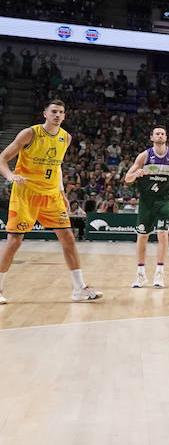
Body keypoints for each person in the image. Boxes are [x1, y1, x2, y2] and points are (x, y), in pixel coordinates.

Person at [0, 100, 102, 303]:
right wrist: (10, 176)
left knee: (68, 238)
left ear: (64, 116)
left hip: (51, 195)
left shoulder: (66, 137)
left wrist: (62, 192)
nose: (57, 115)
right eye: (54, 111)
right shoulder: (30, 133)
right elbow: (2, 158)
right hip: (25, 194)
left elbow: (56, 167)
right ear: (45, 113)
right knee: (14, 241)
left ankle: (79, 289)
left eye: (61, 112)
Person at [123, 126, 169, 289]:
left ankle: (159, 272)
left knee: (163, 234)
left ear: (166, 137)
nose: (160, 136)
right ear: (152, 137)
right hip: (147, 201)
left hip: (164, 200)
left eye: (163, 133)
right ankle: (140, 273)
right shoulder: (144, 156)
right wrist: (136, 175)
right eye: (157, 133)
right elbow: (127, 178)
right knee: (142, 237)